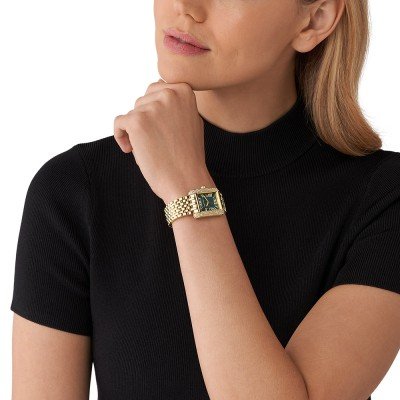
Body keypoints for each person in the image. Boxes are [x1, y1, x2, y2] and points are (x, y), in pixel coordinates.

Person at [11, 0, 400, 399]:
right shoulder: (73, 192)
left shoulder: (384, 199)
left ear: (314, 19)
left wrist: (187, 188)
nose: (185, 6)